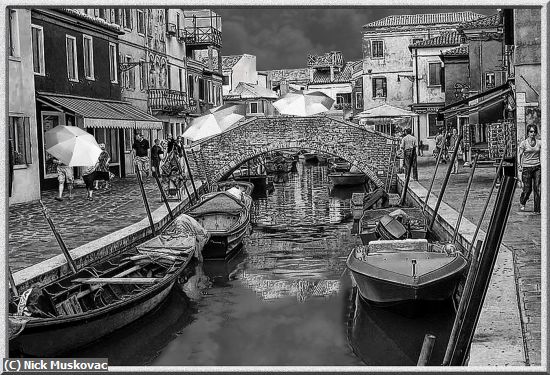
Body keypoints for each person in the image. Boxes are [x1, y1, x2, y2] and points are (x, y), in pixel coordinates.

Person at [518, 124, 541, 213]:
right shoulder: (524, 143)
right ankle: (522, 202)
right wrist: (520, 165)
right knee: (528, 189)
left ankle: (537, 209)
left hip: (537, 167)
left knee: (537, 188)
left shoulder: (539, 142)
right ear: (528, 133)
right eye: (531, 131)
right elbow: (519, 154)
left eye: (534, 131)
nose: (533, 133)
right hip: (527, 168)